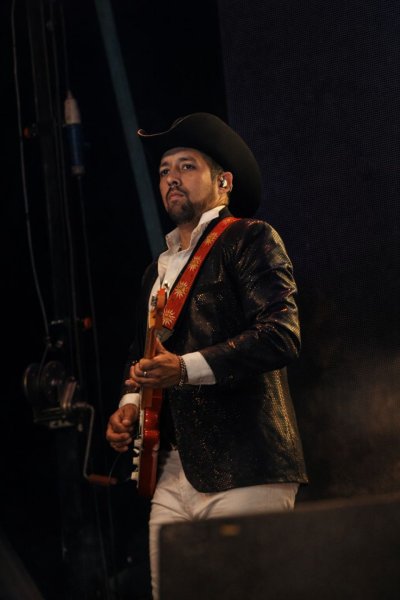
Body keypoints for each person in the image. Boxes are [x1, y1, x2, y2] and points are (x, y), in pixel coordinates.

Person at [106, 112, 308, 599]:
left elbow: (281, 334)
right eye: (164, 170)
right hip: (173, 471)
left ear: (223, 182)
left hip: (247, 464)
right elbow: (141, 355)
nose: (171, 178)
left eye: (187, 166)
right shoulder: (156, 270)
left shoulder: (249, 238)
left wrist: (184, 369)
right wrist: (129, 406)